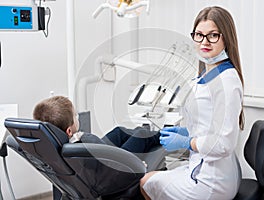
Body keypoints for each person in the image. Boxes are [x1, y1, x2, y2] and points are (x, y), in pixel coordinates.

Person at [140, 6, 244, 200]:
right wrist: (187, 132)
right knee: (151, 177)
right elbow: (209, 125)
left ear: (226, 38)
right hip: (202, 166)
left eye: (213, 35)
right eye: (199, 35)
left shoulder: (227, 81)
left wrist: (188, 142)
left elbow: (224, 143)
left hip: (213, 180)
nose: (204, 42)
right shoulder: (206, 75)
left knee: (146, 183)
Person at [33, 95, 161, 200]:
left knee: (119, 132)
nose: (77, 118)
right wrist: (137, 164)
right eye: (75, 116)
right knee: (141, 134)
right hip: (113, 173)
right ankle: (168, 134)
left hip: (96, 165)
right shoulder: (85, 140)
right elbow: (115, 167)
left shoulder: (51, 146)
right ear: (69, 131)